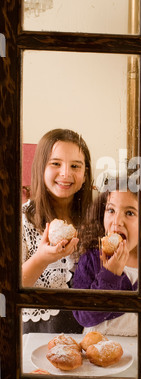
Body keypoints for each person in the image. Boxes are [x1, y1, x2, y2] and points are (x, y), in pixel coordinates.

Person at [22, 128, 93, 333]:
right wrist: (42, 258)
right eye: (55, 163)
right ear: (40, 168)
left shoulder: (97, 217)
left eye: (75, 166)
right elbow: (8, 287)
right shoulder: (23, 219)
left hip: (86, 328)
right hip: (37, 330)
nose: (65, 173)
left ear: (85, 174)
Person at [72, 176, 138, 336]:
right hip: (96, 348)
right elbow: (83, 316)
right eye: (111, 210)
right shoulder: (91, 259)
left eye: (129, 212)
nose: (117, 221)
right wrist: (110, 275)